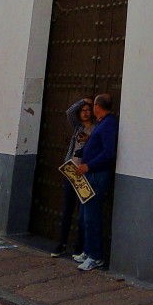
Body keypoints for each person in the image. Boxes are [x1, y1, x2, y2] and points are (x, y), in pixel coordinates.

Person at [72, 93, 118, 271]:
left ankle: (95, 256)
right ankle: (88, 250)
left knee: (92, 216)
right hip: (90, 174)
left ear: (98, 107)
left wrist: (88, 166)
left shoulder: (108, 124)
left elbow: (108, 152)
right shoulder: (102, 123)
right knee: (85, 214)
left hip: (96, 175)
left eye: (93, 106)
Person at [51, 97, 95, 256]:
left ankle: (80, 246)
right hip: (70, 171)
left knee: (83, 212)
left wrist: (89, 140)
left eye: (89, 110)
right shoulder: (77, 127)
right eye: (83, 110)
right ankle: (62, 243)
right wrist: (82, 101)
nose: (86, 113)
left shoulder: (95, 129)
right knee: (67, 209)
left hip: (85, 173)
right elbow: (69, 113)